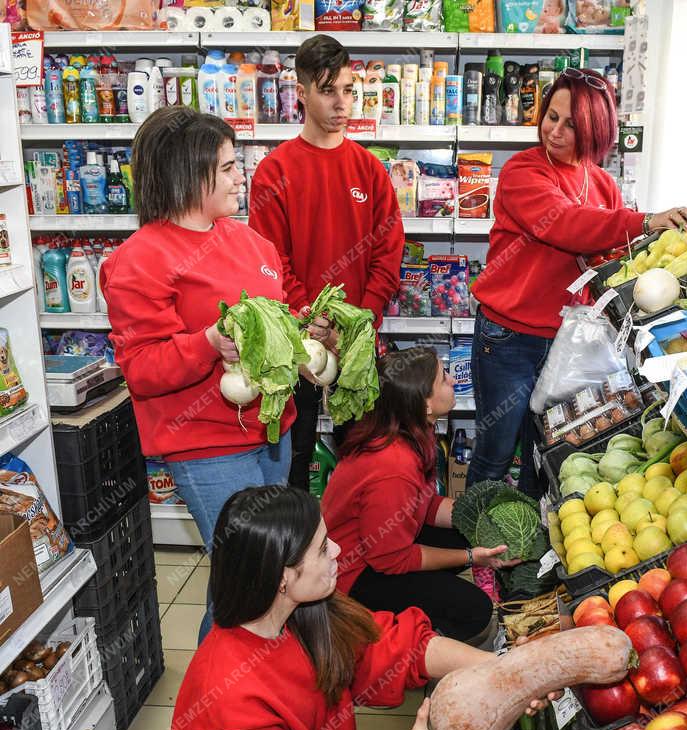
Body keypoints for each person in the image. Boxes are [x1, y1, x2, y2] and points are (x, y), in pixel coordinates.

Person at [170, 486, 554, 730]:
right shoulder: (234, 704)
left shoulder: (304, 614)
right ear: (281, 577)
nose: (337, 550)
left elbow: (402, 647)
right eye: (322, 549)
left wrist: (507, 669)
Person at [102, 106, 294, 643]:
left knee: (258, 574)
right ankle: (218, 701)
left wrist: (305, 335)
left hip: (272, 431)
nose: (241, 177)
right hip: (207, 444)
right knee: (249, 577)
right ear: (189, 173)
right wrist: (209, 343)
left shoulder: (250, 243)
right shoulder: (138, 261)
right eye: (230, 166)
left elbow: (278, 318)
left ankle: (244, 691)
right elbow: (141, 368)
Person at [467, 67, 687, 496]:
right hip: (508, 338)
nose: (554, 131)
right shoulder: (523, 172)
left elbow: (611, 253)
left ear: (595, 128)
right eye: (551, 117)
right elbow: (569, 226)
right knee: (496, 452)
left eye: (571, 124)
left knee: (548, 454)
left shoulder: (602, 184)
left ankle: (526, 547)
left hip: (567, 345)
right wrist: (645, 220)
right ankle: (477, 549)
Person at [249, 34, 403, 491]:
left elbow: (388, 253)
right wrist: (315, 322)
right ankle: (295, 553)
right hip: (297, 345)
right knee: (291, 459)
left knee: (361, 458)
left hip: (357, 341)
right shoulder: (274, 171)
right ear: (301, 93)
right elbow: (271, 261)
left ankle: (356, 555)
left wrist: (359, 323)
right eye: (328, 89)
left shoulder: (369, 169)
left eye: (349, 89)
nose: (342, 102)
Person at [321, 347, 509, 644]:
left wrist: (481, 519)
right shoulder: (393, 467)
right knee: (476, 612)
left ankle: (432, 598)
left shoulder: (409, 431)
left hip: (377, 545)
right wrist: (472, 557)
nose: (451, 380)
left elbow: (425, 503)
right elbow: (391, 560)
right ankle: (409, 639)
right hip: (352, 576)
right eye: (442, 378)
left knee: (471, 534)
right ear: (424, 406)